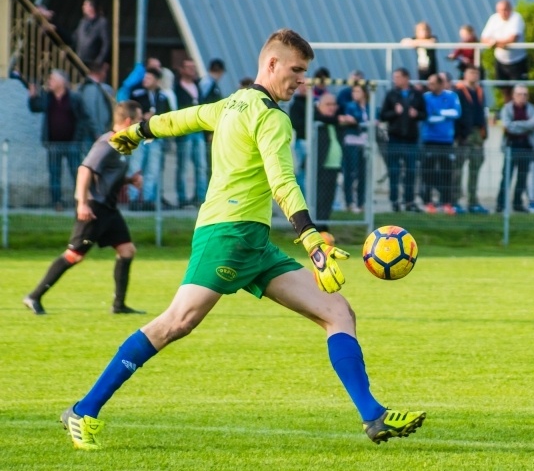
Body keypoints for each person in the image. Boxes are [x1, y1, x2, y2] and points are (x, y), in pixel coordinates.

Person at [60, 29, 425, 451]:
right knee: (176, 322)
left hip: (254, 241)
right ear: (271, 64)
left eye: (304, 72)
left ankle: (373, 415)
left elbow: (184, 117)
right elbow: (281, 179)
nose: (301, 80)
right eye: (296, 70)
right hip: (228, 236)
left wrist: (141, 131)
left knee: (337, 311)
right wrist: (309, 236)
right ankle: (84, 410)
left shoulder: (231, 103)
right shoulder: (270, 116)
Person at [22, 101, 145, 316]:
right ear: (128, 121)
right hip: (94, 209)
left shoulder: (122, 144)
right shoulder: (107, 143)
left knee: (127, 251)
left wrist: (128, 180)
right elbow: (85, 169)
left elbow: (106, 175)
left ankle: (119, 306)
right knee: (74, 255)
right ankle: (34, 296)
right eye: (138, 120)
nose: (141, 124)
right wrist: (82, 203)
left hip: (109, 210)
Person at [28, 70, 90, 210]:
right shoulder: (48, 98)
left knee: (76, 173)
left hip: (72, 144)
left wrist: (78, 140)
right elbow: (36, 107)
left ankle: (80, 200)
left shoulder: (74, 98)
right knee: (55, 173)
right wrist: (32, 96)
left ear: (62, 82)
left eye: (52, 79)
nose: (49, 82)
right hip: (53, 144)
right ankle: (57, 202)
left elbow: (83, 119)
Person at [380, 67, 427, 212]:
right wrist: (395, 112)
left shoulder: (417, 95)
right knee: (394, 171)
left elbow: (424, 114)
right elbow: (383, 115)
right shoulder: (391, 95)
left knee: (411, 171)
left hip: (411, 140)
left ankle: (409, 201)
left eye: (398, 77)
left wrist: (416, 114)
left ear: (406, 78)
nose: (396, 80)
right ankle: (394, 201)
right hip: (394, 138)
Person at [128, 67, 173, 211]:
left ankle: (148, 200)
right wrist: (142, 118)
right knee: (135, 167)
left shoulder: (163, 97)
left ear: (157, 81)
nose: (145, 80)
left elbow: (169, 115)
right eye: (145, 78)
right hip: (140, 136)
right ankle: (133, 199)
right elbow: (129, 112)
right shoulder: (137, 94)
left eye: (149, 78)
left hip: (156, 139)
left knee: (152, 170)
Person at [420, 73, 461, 214]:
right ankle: (428, 202)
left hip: (446, 140)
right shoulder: (425, 97)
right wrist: (443, 116)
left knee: (447, 172)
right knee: (428, 172)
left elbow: (456, 113)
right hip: (429, 139)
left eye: (432, 83)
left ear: (439, 84)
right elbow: (428, 117)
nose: (429, 86)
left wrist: (440, 112)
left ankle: (446, 203)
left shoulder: (451, 96)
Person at [495, 84, 534, 213]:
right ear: (514, 95)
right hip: (511, 146)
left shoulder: (531, 109)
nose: (522, 97)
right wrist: (526, 126)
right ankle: (500, 204)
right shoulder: (507, 109)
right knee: (507, 176)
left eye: (525, 94)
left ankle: (518, 203)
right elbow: (508, 126)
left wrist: (517, 126)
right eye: (519, 94)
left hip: (526, 146)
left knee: (522, 177)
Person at [454, 65, 489, 214]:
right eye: (471, 73)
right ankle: (454, 200)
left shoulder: (480, 91)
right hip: (463, 134)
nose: (474, 76)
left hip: (477, 133)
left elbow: (483, 113)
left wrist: (484, 131)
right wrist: (459, 135)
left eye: (476, 73)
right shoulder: (458, 91)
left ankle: (473, 201)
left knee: (475, 167)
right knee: (458, 168)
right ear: (465, 74)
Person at [174, 58, 208, 207]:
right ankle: (182, 198)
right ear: (182, 70)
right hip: (185, 130)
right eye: (189, 67)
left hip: (198, 129)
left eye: (193, 67)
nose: (192, 70)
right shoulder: (177, 88)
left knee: (201, 165)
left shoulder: (197, 86)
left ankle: (200, 197)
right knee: (183, 165)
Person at [481, 0, 527, 104]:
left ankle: (518, 113)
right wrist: (500, 44)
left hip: (517, 60)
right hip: (501, 60)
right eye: (500, 10)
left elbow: (513, 38)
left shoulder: (516, 18)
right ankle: (508, 111)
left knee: (519, 90)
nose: (503, 13)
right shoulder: (494, 19)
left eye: (505, 10)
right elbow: (484, 38)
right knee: (504, 89)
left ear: (510, 9)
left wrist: (494, 43)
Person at [314, 93, 343, 228]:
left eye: (334, 105)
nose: (332, 108)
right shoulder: (316, 120)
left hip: (334, 166)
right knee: (319, 198)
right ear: (319, 105)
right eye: (328, 104)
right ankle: (317, 226)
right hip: (321, 166)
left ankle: (324, 224)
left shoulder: (334, 123)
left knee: (329, 198)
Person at [342, 84, 370, 213]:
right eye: (353, 91)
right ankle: (349, 202)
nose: (355, 94)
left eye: (357, 91)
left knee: (362, 175)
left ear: (364, 93)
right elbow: (352, 119)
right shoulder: (351, 106)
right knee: (350, 173)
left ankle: (361, 203)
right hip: (352, 142)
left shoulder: (369, 106)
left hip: (364, 143)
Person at [78, 62, 114, 151]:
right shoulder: (90, 88)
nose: (105, 75)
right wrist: (97, 132)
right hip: (92, 135)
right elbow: (90, 112)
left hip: (96, 133)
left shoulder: (95, 87)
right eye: (105, 71)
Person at [73, 0, 110, 67]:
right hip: (80, 61)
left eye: (85, 5)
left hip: (94, 62)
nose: (83, 7)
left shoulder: (102, 22)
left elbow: (106, 43)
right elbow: (74, 38)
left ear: (91, 7)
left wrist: (99, 61)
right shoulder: (82, 22)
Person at [289, 82, 308, 194]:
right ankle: (302, 201)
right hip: (301, 142)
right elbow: (295, 123)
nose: (305, 88)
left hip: (312, 142)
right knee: (299, 173)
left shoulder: (312, 104)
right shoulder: (296, 104)